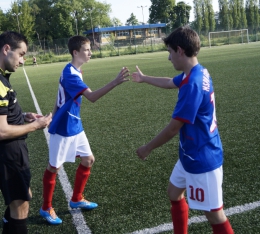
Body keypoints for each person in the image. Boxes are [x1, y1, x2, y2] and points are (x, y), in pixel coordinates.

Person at [132, 26, 234, 234]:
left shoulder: (193, 84)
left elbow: (173, 128)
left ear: (179, 50)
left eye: (169, 52)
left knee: (215, 215)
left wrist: (148, 148)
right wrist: (144, 78)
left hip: (202, 158)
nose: (169, 58)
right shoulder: (196, 72)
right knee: (174, 193)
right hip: (190, 153)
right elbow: (170, 82)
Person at [40, 35, 130, 225]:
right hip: (64, 127)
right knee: (53, 167)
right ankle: (46, 207)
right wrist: (115, 82)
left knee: (88, 160)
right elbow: (92, 97)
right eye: (87, 49)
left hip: (75, 125)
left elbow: (59, 99)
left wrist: (52, 114)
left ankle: (76, 198)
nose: (90, 52)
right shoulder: (71, 74)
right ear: (76, 52)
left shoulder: (74, 70)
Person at [0, 31, 52, 234]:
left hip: (8, 153)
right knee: (20, 207)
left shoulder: (3, 78)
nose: (22, 61)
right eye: (21, 54)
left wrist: (22, 116)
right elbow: (2, 131)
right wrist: (36, 126)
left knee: (23, 195)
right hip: (9, 154)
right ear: (6, 49)